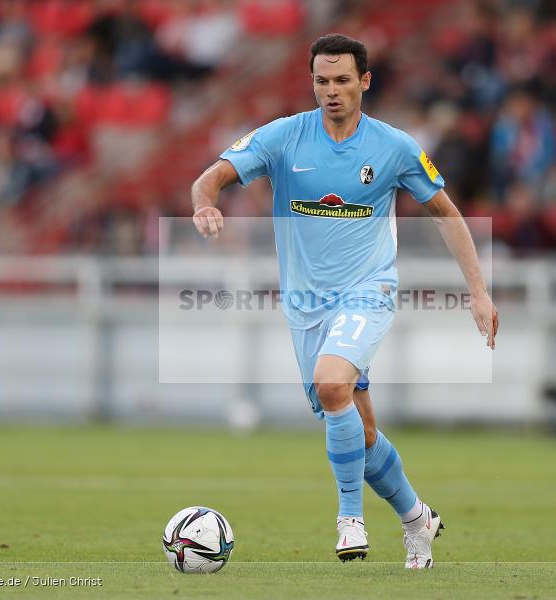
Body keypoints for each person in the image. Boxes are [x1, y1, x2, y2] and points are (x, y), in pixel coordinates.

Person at [190, 33, 498, 569]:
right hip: (307, 304)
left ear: (365, 82)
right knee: (360, 426)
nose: (331, 91)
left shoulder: (395, 147)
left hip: (369, 290)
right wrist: (205, 205)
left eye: (341, 80)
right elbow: (210, 178)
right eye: (321, 81)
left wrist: (478, 291)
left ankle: (349, 518)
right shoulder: (284, 137)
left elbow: (446, 214)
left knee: (332, 383)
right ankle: (417, 519)